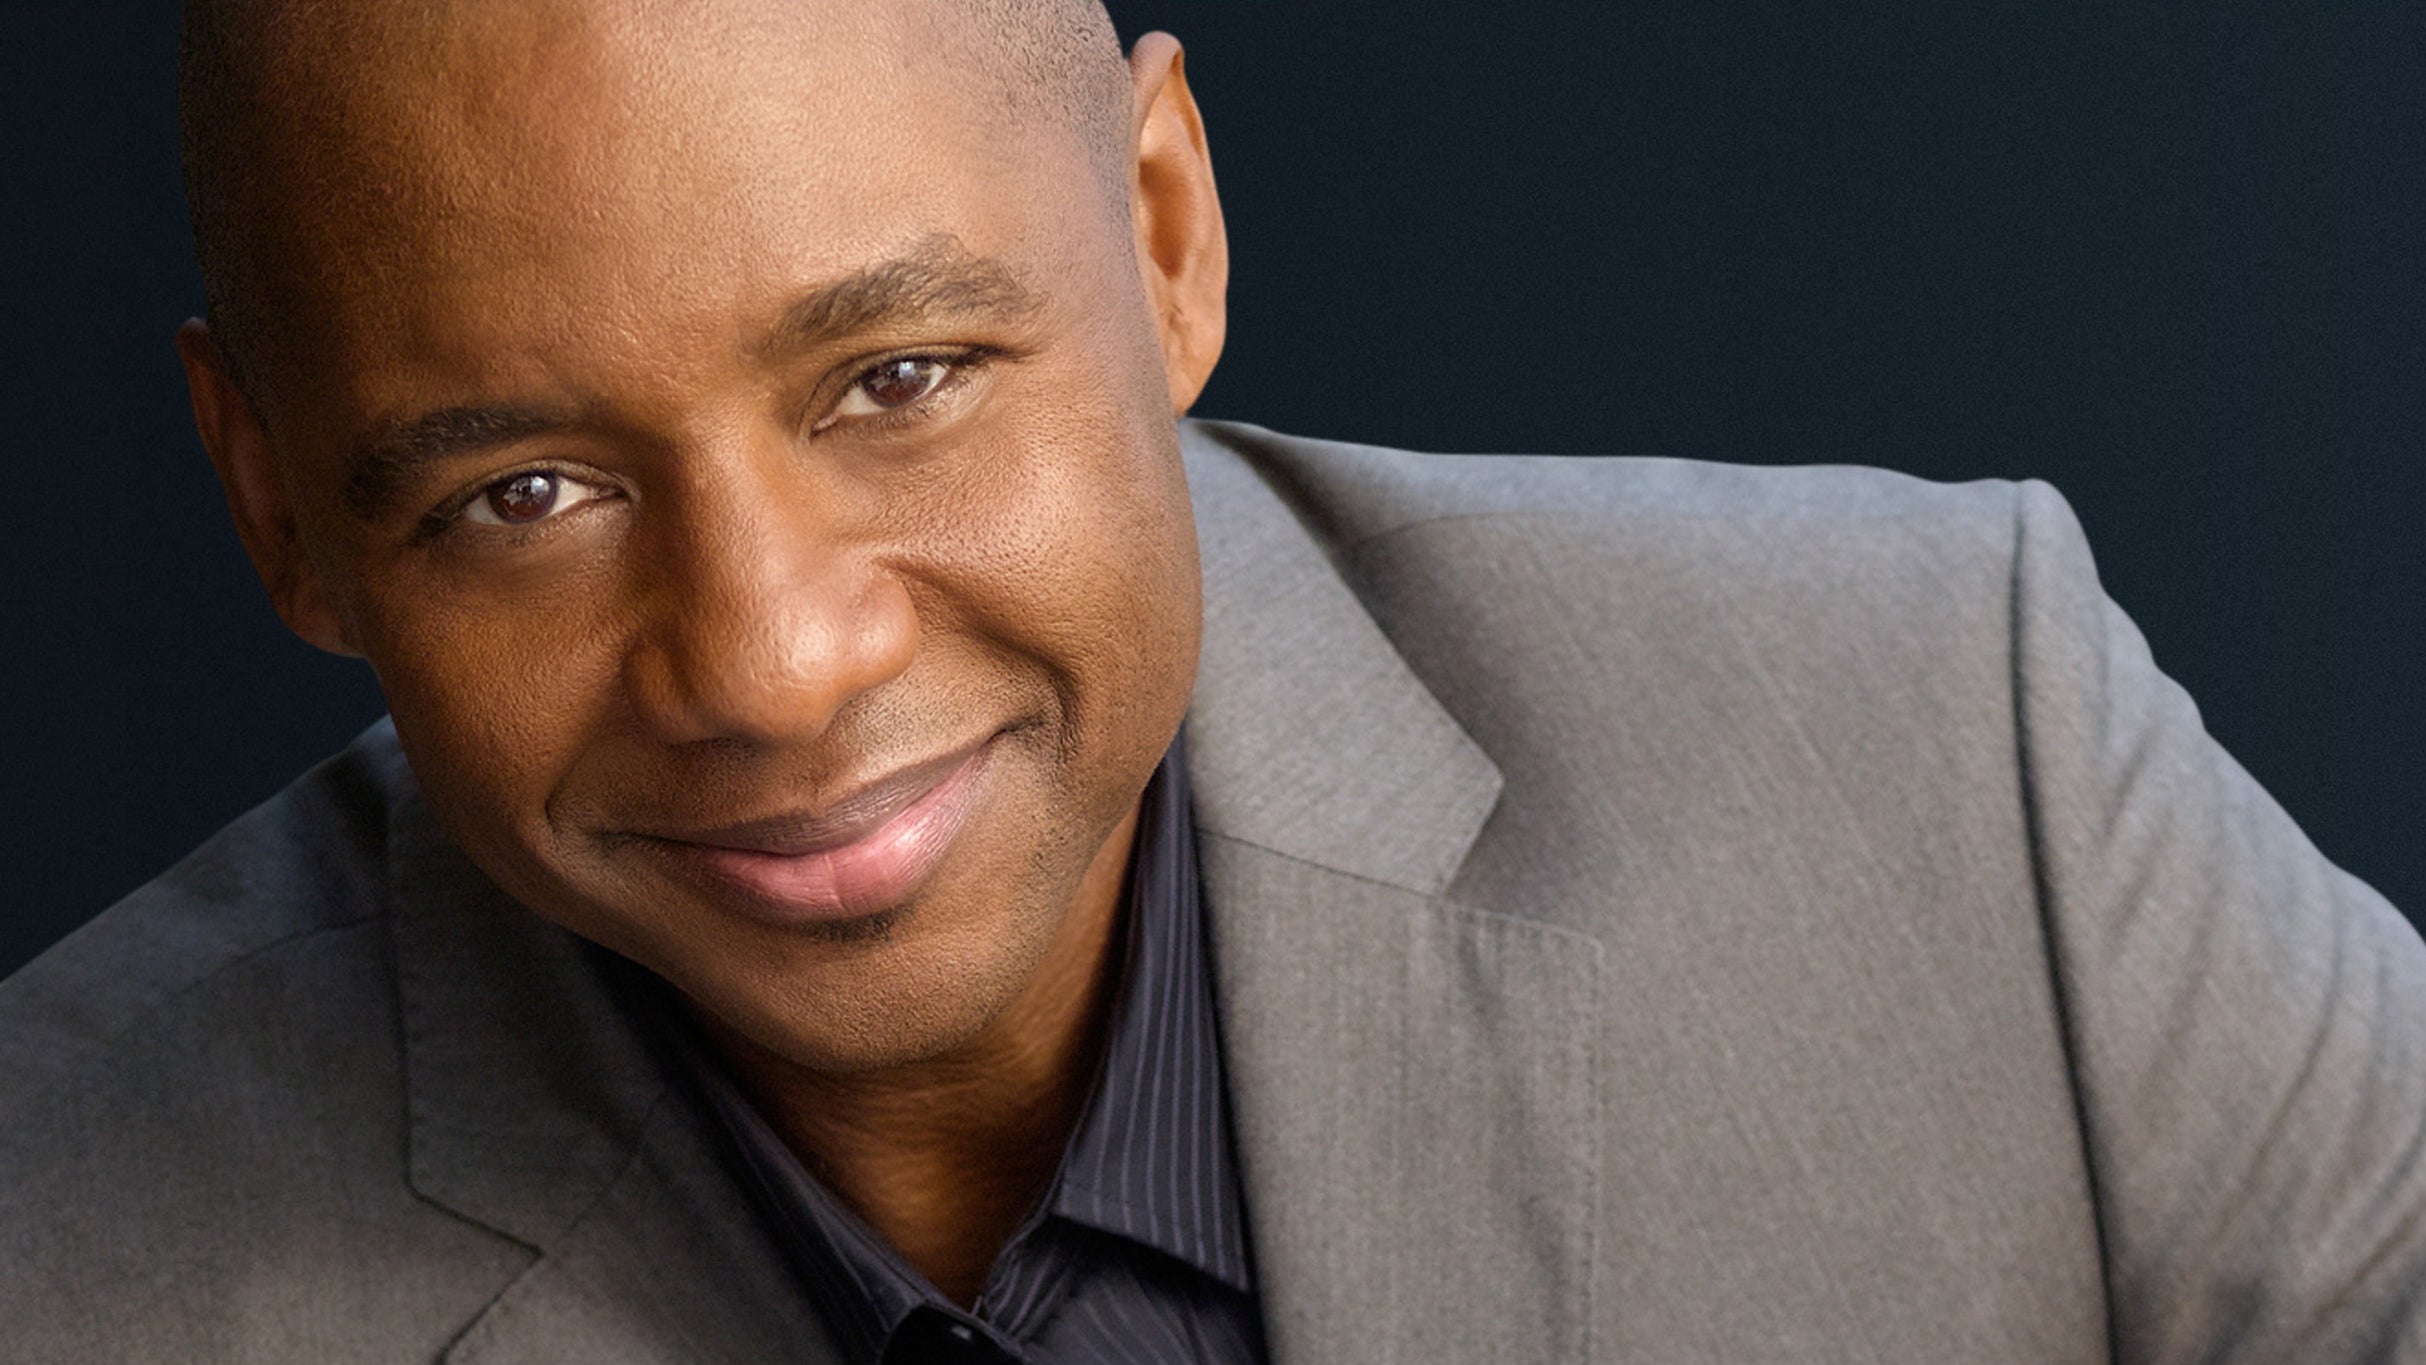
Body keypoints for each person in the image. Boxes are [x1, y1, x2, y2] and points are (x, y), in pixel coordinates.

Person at [4, 0, 2422, 1360]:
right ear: (277, 504)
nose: (774, 660)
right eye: (521, 491)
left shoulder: (1947, 748)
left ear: (1165, 236)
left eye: (899, 379)